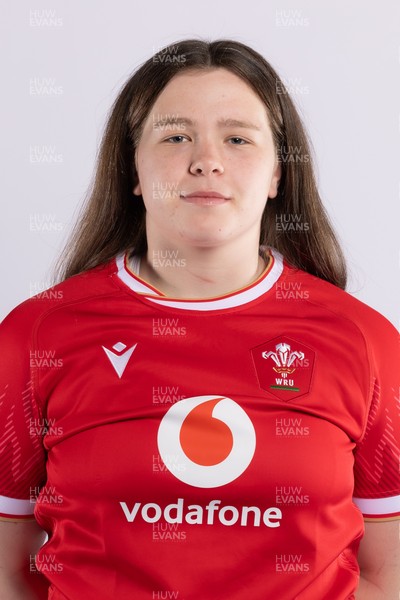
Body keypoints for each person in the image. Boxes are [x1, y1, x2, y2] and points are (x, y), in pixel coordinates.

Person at [0, 39, 398, 600]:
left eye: (237, 138)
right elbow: (6, 564)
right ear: (133, 170)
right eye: (176, 136)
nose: (205, 159)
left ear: (278, 174)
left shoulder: (365, 341)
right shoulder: (36, 335)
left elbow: (388, 569)